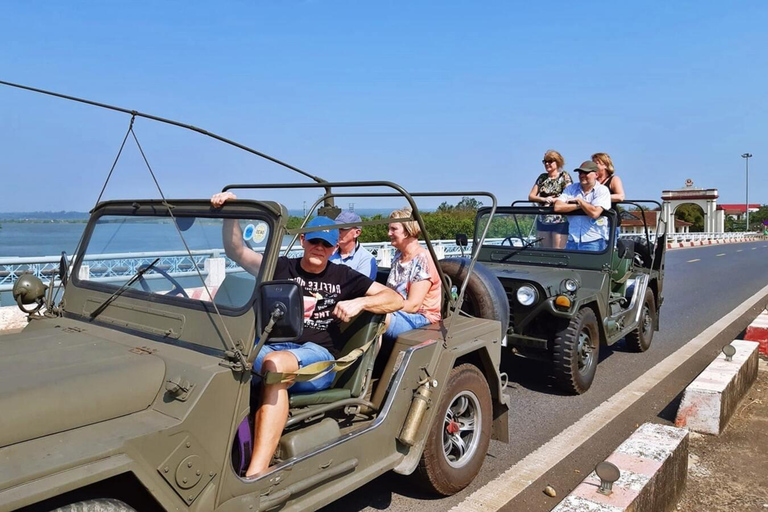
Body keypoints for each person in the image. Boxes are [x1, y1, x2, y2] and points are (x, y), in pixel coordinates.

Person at [210, 191, 403, 479]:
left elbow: (395, 299)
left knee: (275, 366)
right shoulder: (281, 266)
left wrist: (359, 302)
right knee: (225, 353)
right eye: (314, 241)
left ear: (334, 247)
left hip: (317, 358)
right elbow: (236, 251)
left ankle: (256, 474)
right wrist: (232, 210)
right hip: (272, 347)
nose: (319, 248)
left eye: (326, 244)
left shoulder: (344, 277)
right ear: (302, 241)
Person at [383, 207, 441, 342]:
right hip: (398, 312)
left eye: (394, 229)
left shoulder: (422, 259)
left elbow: (413, 305)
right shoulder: (398, 256)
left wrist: (382, 306)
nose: (389, 233)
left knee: (377, 319)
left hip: (421, 318)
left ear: (408, 231)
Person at [553, 161, 611, 252]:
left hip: (594, 241)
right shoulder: (571, 188)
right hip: (572, 240)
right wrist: (579, 206)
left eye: (586, 172)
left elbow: (595, 213)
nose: (582, 175)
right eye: (580, 173)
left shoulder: (602, 190)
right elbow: (557, 207)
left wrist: (580, 201)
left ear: (596, 174)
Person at [528, 149, 573, 248]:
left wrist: (555, 199)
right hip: (543, 219)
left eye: (550, 161)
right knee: (545, 252)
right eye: (545, 161)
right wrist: (544, 199)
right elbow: (531, 196)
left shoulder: (564, 176)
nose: (547, 164)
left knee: (557, 252)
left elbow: (570, 195)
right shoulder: (542, 178)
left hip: (560, 220)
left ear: (558, 162)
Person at [330, 210, 378, 279]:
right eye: (336, 228)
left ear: (357, 233)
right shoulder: (329, 253)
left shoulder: (366, 259)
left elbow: (361, 287)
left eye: (343, 228)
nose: (338, 231)